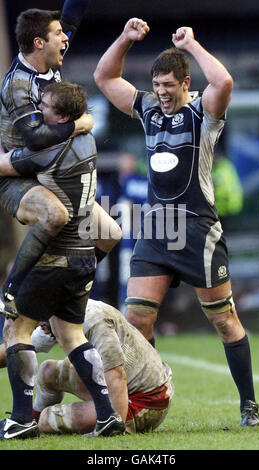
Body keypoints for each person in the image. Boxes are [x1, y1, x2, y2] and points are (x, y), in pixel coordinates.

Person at [93, 18, 259, 426]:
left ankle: (249, 406)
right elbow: (104, 76)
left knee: (224, 319)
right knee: (136, 319)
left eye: (170, 84)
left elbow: (224, 83)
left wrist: (193, 45)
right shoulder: (148, 107)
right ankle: (152, 397)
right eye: (158, 84)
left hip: (198, 230)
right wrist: (125, 39)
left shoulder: (204, 111)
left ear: (186, 83)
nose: (163, 93)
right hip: (155, 229)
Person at [0, 81, 125, 440]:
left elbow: (8, 165)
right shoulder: (85, 140)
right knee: (71, 334)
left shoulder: (52, 148)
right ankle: (108, 415)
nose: (38, 111)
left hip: (54, 256)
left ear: (65, 117)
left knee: (16, 331)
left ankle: (21, 420)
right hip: (84, 256)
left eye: (46, 107)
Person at [0, 2, 121, 319]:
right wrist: (79, 124)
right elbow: (36, 139)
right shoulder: (17, 85)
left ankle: (64, 288)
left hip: (47, 171)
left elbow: (71, 18)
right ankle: (11, 289)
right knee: (55, 215)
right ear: (39, 43)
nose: (65, 38)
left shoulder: (49, 61)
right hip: (18, 176)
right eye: (57, 34)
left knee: (109, 233)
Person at [0, 299, 173, 434]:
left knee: (49, 419)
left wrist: (111, 425)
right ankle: (32, 422)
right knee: (48, 371)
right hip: (119, 383)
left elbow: (117, 376)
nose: (35, 325)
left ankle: (42, 421)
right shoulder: (57, 316)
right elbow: (12, 351)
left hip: (145, 400)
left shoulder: (95, 320)